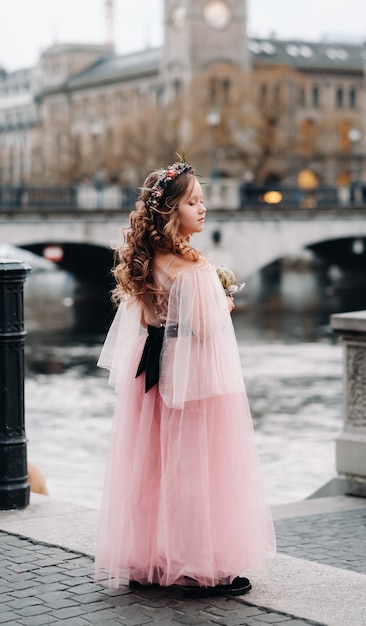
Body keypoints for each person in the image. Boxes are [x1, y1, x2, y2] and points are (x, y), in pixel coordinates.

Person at [94, 158, 276, 598]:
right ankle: (197, 565)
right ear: (171, 212)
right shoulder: (193, 271)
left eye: (202, 201)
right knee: (197, 468)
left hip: (150, 371)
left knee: (150, 466)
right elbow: (209, 328)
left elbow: (145, 320)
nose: (203, 209)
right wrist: (225, 303)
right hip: (191, 373)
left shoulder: (146, 262)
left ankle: (148, 559)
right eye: (193, 202)